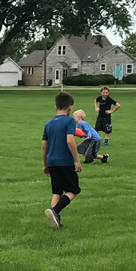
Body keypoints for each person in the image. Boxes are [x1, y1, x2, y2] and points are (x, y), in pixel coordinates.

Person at [42, 92, 82, 230]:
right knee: (73, 190)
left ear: (55, 106)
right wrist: (77, 160)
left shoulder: (48, 123)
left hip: (51, 161)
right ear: (70, 108)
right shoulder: (70, 121)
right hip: (64, 161)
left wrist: (45, 164)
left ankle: (55, 221)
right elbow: (70, 140)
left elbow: (43, 145)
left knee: (57, 191)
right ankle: (55, 211)